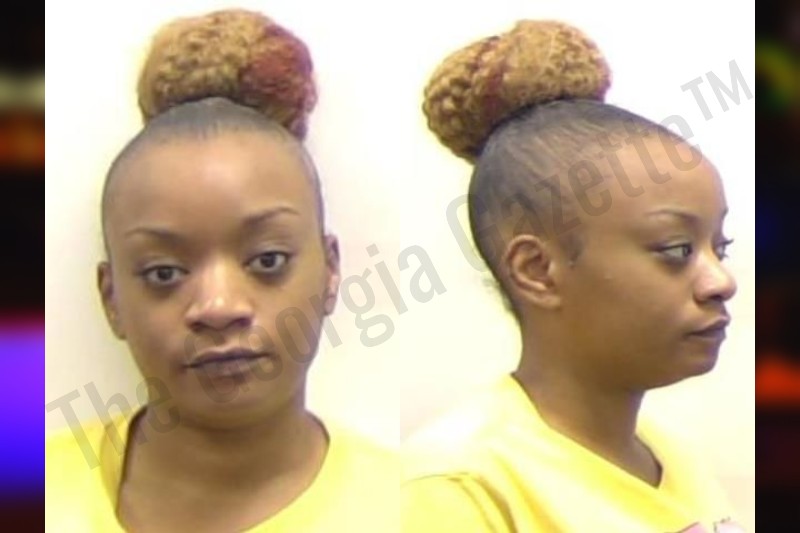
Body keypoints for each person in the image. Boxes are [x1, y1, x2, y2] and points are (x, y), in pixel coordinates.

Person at [45, 9, 397, 532]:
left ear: (330, 271)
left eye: (267, 261)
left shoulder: (414, 507)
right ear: (111, 298)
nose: (219, 307)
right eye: (165, 273)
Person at [403, 20, 745, 532]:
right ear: (537, 271)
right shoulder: (460, 485)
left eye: (720, 248)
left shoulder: (674, 456)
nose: (721, 281)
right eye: (676, 250)